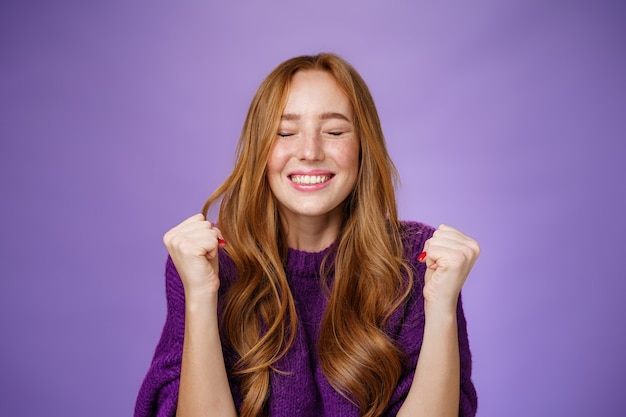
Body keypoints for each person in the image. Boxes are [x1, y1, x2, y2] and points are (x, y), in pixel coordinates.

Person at [134, 52, 480, 417]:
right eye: (285, 132)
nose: (311, 152)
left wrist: (440, 306)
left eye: (334, 132)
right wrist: (201, 296)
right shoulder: (208, 261)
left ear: (363, 146)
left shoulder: (420, 264)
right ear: (259, 150)